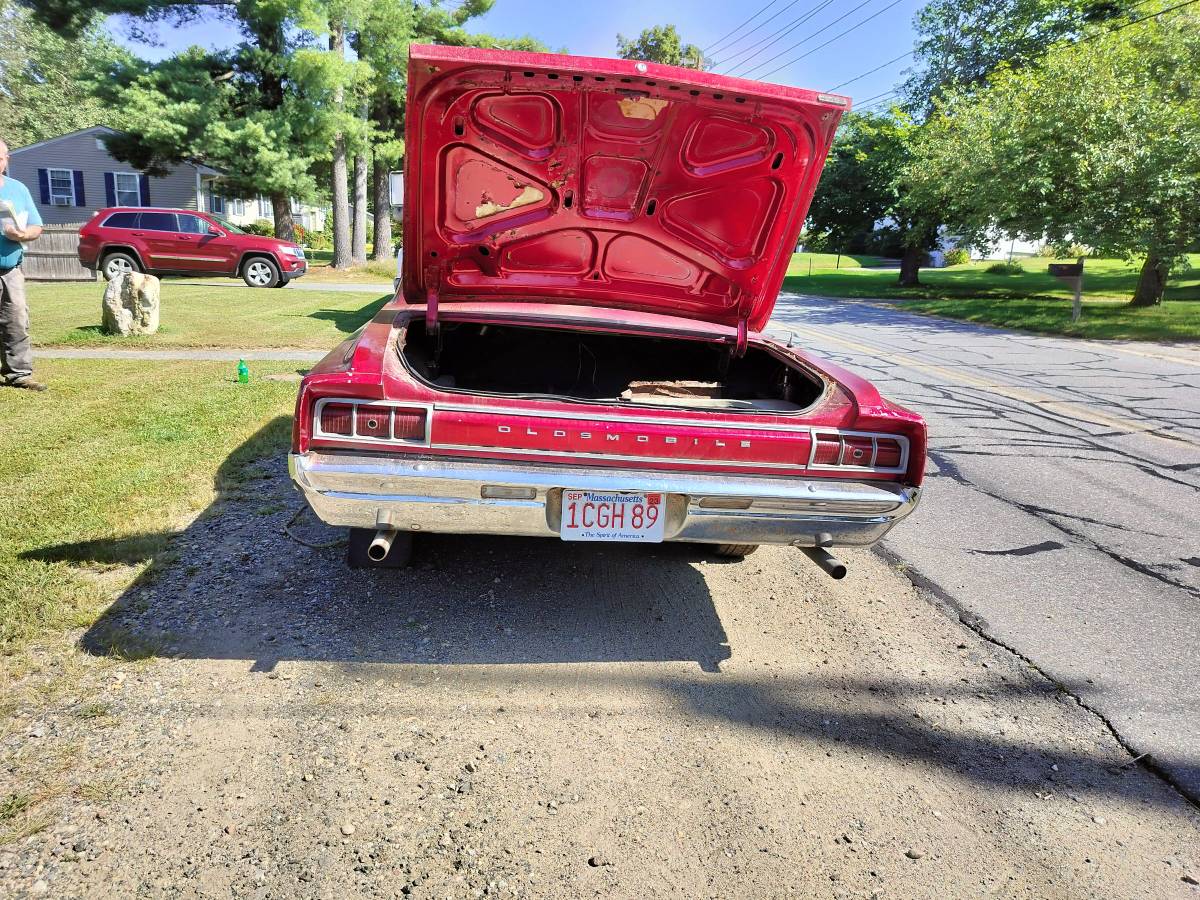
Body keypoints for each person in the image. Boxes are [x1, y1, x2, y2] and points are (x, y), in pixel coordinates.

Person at [0, 138, 46, 391]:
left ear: (7, 160)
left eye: (0, 157)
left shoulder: (18, 189)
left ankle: (18, 373)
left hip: (10, 269)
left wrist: (22, 235)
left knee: (16, 320)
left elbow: (36, 226)